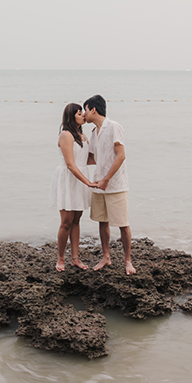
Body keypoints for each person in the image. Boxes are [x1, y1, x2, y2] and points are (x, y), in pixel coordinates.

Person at [83, 94, 134, 275]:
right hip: (98, 184)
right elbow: (92, 159)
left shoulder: (113, 127)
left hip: (116, 185)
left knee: (123, 224)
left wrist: (107, 179)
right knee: (102, 221)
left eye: (85, 110)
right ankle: (106, 256)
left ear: (93, 109)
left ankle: (127, 261)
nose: (84, 114)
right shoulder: (93, 133)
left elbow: (121, 155)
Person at [49, 103, 97, 271]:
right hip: (69, 179)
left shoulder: (82, 135)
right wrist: (88, 182)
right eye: (79, 113)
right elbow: (70, 164)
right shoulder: (66, 135)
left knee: (76, 220)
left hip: (80, 177)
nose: (83, 115)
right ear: (71, 117)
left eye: (82, 112)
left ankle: (75, 258)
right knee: (66, 222)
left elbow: (87, 160)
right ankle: (61, 258)